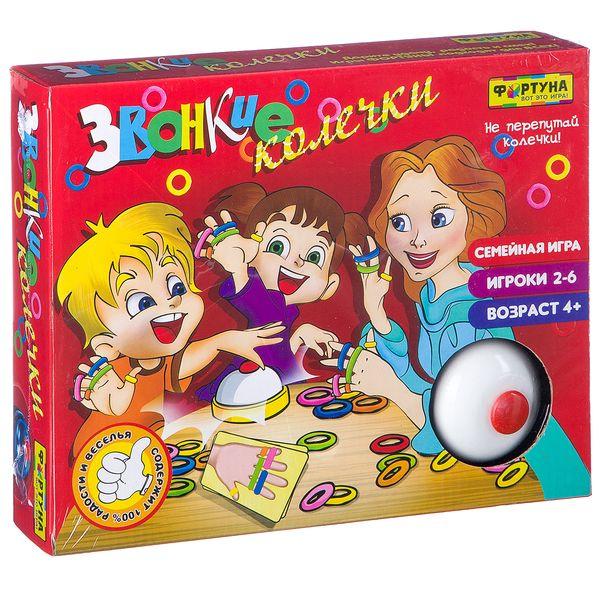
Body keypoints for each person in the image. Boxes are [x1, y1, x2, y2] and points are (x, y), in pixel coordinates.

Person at [57, 202, 284, 455]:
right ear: (106, 345)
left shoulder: (158, 364)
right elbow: (110, 403)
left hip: (152, 449)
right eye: (142, 303)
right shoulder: (114, 376)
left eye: (177, 286)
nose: (172, 301)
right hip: (103, 455)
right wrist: (99, 400)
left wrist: (224, 340)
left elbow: (185, 362)